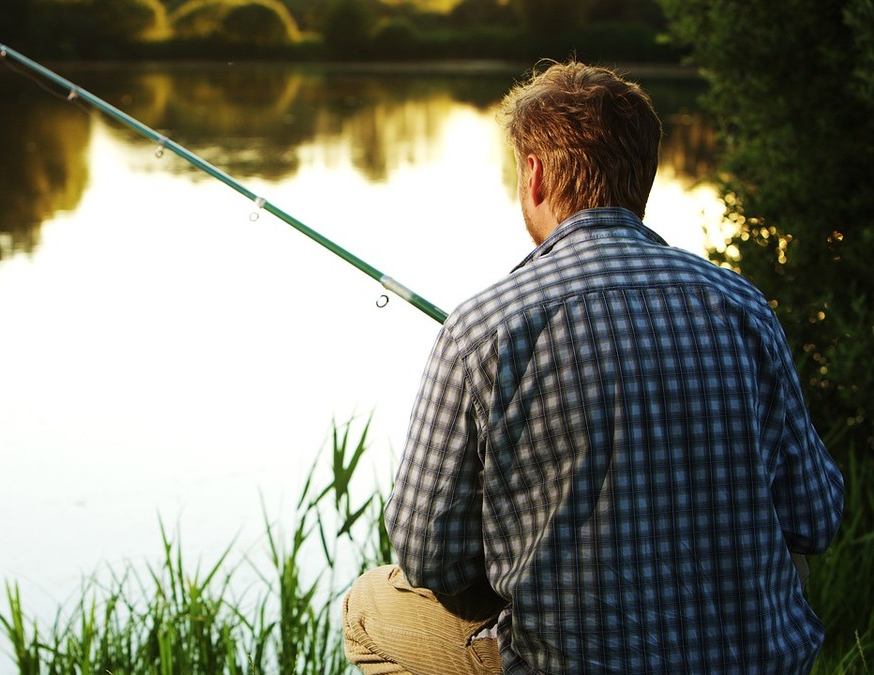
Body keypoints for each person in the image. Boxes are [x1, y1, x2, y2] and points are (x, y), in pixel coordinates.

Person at [341, 61, 845, 674]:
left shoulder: (482, 327)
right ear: (644, 179)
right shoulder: (744, 308)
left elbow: (427, 556)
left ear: (534, 176)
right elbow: (816, 517)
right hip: (754, 664)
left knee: (368, 608)